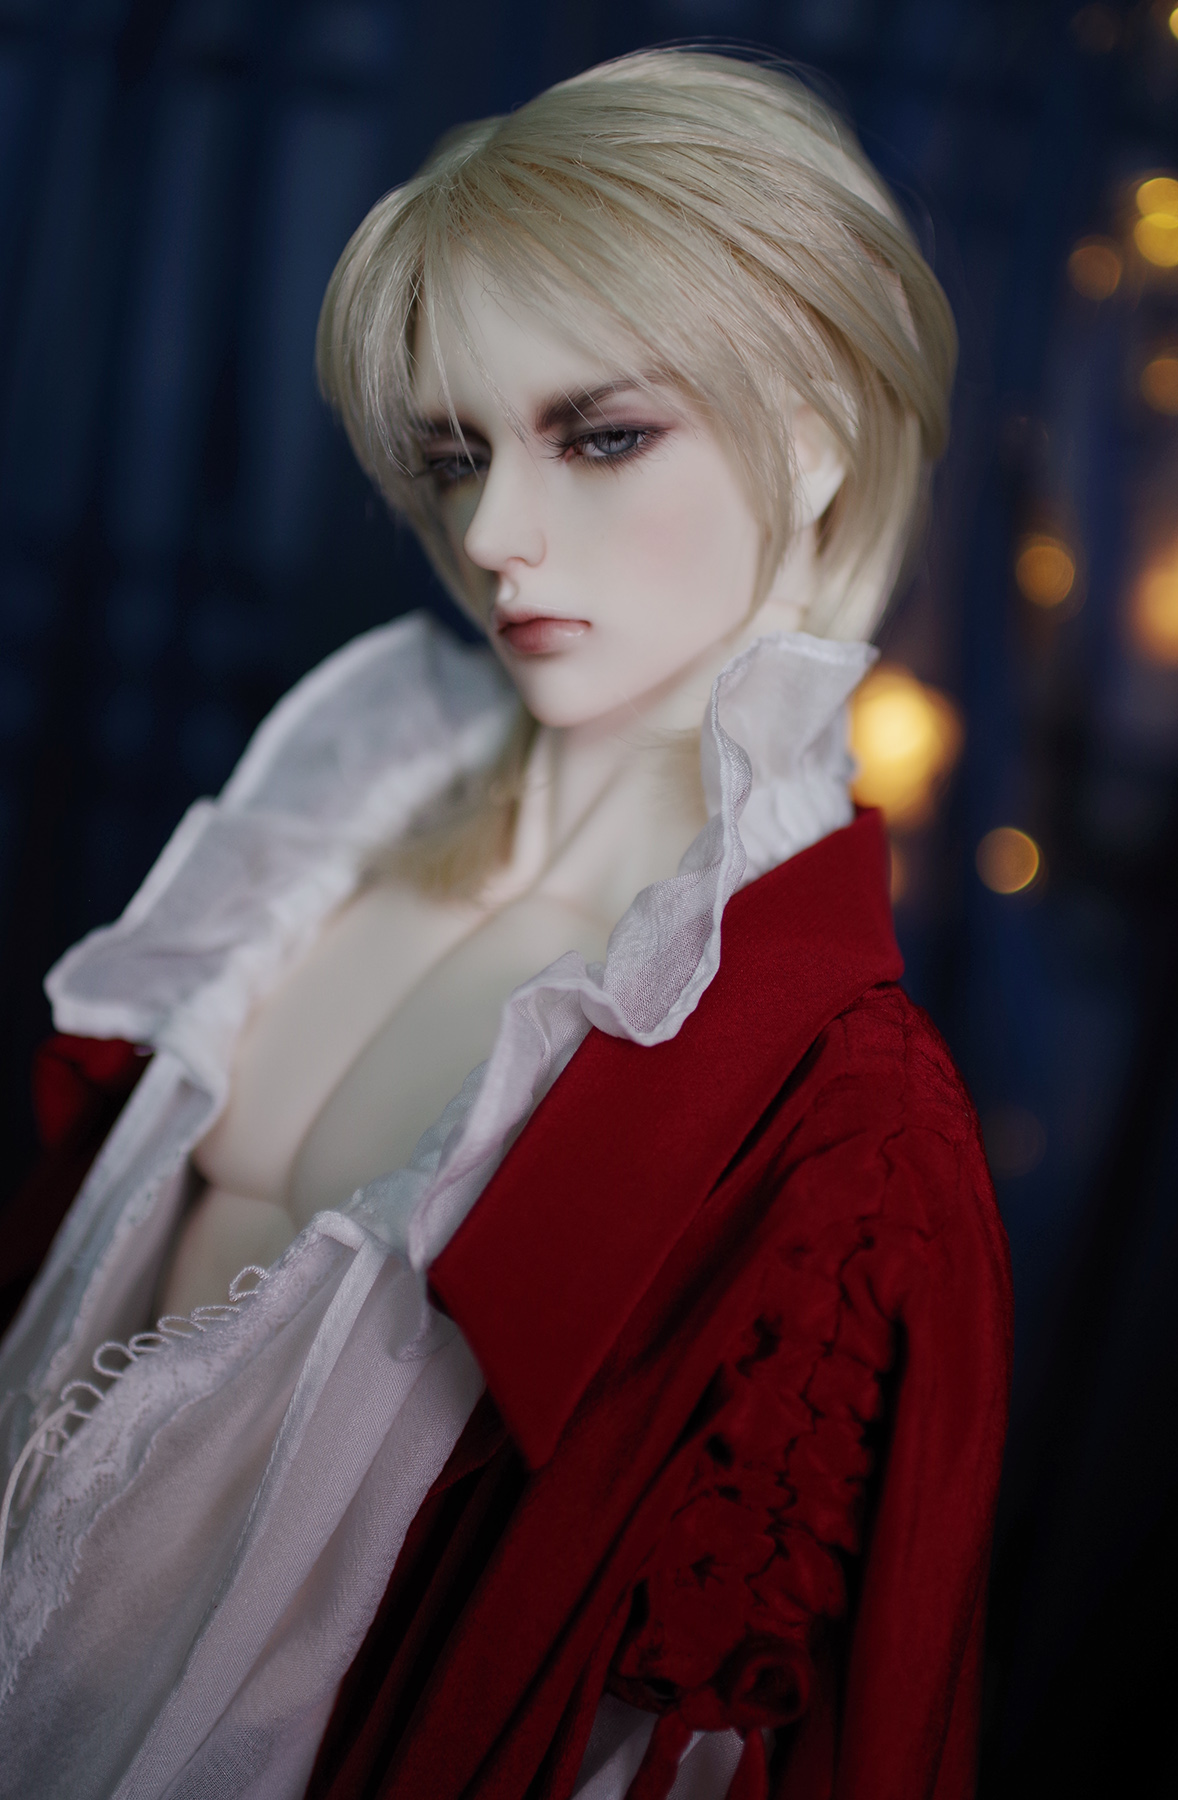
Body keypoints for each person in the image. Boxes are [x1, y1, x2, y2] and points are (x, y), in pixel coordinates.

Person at [0, 47, 1010, 1800]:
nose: (496, 532)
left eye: (601, 436)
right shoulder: (318, 830)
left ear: (817, 442)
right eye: (456, 452)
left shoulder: (842, 1130)